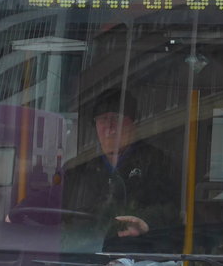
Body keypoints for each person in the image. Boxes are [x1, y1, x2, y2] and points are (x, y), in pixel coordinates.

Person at [62, 87, 181, 252]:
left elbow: (172, 213)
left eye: (116, 118)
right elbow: (58, 212)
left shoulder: (158, 163)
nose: (109, 128)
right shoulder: (76, 170)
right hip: (82, 257)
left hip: (141, 257)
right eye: (102, 120)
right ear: (95, 125)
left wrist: (147, 224)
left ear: (133, 122)